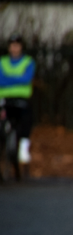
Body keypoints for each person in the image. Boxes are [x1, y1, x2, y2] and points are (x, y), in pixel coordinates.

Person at [0, 33, 36, 180]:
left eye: (17, 45)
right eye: (12, 45)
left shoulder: (28, 61)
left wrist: (8, 79)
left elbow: (27, 79)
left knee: (27, 119)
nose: (14, 48)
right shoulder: (2, 62)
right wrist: (18, 79)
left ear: (21, 47)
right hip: (4, 99)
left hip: (22, 99)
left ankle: (23, 147)